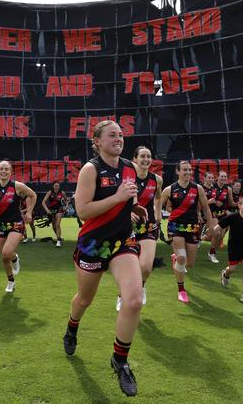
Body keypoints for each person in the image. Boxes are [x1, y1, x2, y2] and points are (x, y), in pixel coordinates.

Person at [62, 120, 146, 397]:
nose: (119, 139)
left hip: (123, 241)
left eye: (121, 135)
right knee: (84, 299)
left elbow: (126, 201)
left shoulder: (129, 167)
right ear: (96, 141)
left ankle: (119, 360)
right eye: (112, 135)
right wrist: (119, 197)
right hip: (93, 244)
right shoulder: (90, 169)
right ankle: (72, 328)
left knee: (133, 300)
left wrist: (135, 209)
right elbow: (83, 211)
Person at [160, 160, 214, 304]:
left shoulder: (198, 189)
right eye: (184, 170)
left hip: (193, 228)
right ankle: (181, 289)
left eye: (190, 170)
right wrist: (155, 221)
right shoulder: (169, 190)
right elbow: (157, 205)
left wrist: (211, 226)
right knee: (182, 258)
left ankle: (175, 259)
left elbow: (206, 208)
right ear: (178, 171)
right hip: (175, 226)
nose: (188, 172)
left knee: (189, 264)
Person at [116, 146, 162, 310]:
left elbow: (158, 198)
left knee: (146, 267)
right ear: (135, 159)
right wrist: (128, 213)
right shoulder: (127, 177)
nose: (146, 159)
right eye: (142, 156)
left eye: (149, 156)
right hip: (127, 226)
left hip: (148, 226)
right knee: (129, 267)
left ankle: (141, 287)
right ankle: (122, 294)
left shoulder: (157, 179)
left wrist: (158, 214)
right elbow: (119, 200)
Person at [0, 160, 36, 292]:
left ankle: (15, 258)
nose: (3, 171)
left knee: (7, 252)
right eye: (1, 169)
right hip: (0, 223)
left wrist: (29, 212)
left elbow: (32, 195)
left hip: (16, 223)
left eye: (6, 169)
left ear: (10, 172)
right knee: (3, 257)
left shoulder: (17, 186)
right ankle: (11, 281)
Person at [208, 170, 236, 261]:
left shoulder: (228, 189)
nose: (223, 178)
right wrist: (214, 202)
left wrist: (240, 204)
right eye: (222, 176)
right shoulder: (211, 187)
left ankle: (211, 249)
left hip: (222, 214)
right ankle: (211, 254)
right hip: (212, 213)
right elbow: (205, 200)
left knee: (220, 236)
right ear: (218, 177)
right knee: (217, 233)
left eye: (225, 177)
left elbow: (231, 203)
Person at [200, 171, 221, 263]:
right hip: (200, 213)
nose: (211, 179)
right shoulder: (200, 188)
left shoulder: (215, 188)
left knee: (217, 232)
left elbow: (216, 201)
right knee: (193, 235)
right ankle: (198, 238)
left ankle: (212, 254)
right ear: (204, 178)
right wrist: (208, 202)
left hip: (211, 214)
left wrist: (217, 202)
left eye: (212, 178)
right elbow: (196, 203)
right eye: (209, 177)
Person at [41, 181, 68, 247]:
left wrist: (66, 206)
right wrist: (47, 210)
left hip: (59, 209)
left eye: (58, 186)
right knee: (54, 226)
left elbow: (66, 199)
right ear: (53, 186)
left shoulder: (62, 192)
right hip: (52, 210)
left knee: (57, 224)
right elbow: (43, 202)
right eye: (55, 186)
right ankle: (59, 237)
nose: (57, 187)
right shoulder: (50, 192)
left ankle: (58, 241)